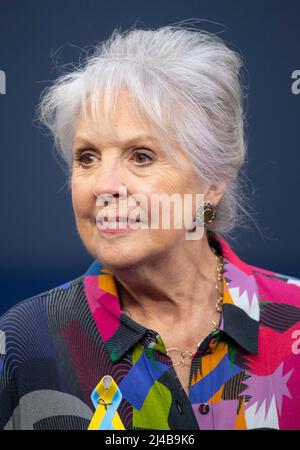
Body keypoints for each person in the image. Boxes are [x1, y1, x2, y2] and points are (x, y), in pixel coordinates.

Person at [1, 22, 300, 431]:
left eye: (141, 156)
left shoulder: (294, 319)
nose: (105, 186)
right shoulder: (24, 341)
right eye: (87, 157)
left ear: (212, 182)